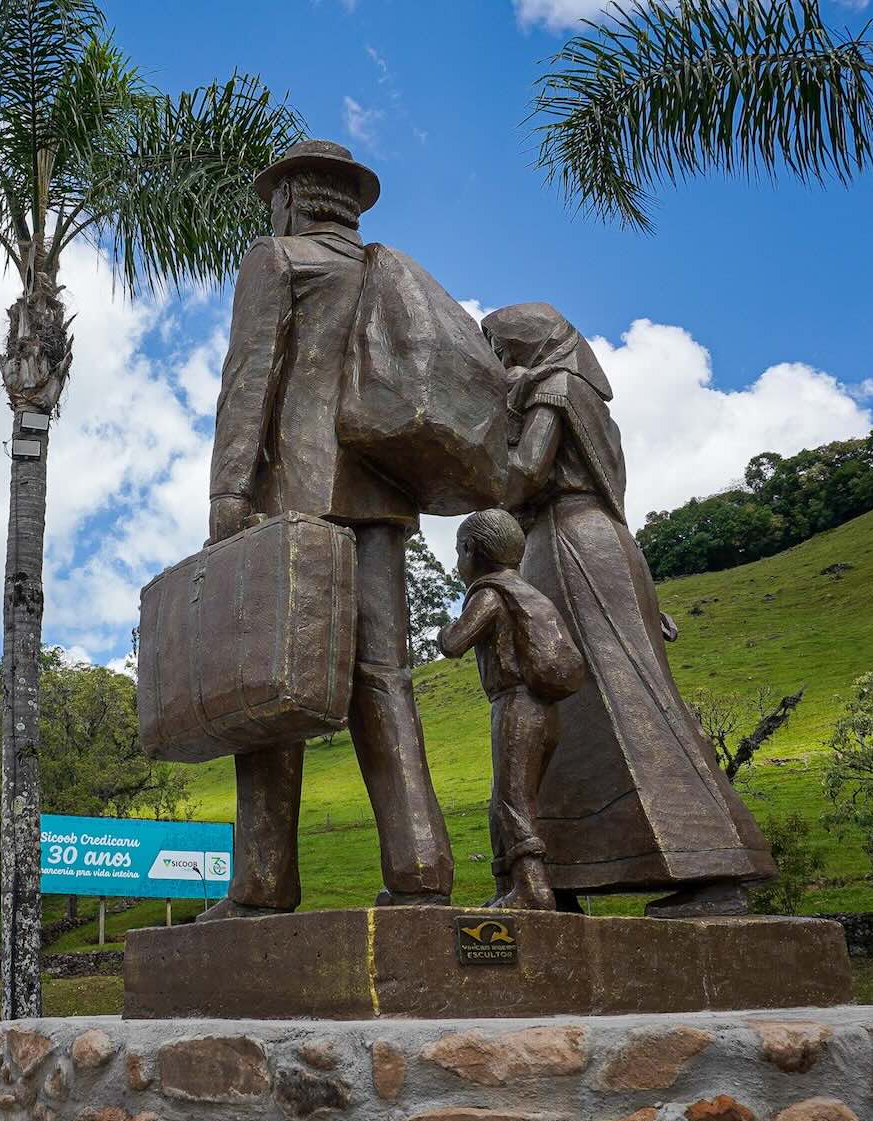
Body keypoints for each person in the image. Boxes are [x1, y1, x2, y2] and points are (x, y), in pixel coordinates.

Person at [203, 140, 454, 916]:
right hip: (381, 497)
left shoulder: (276, 259)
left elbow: (251, 378)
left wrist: (227, 492)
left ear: (287, 199)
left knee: (270, 675)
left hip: (298, 495)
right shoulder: (385, 269)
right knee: (384, 678)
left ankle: (264, 882)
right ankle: (421, 872)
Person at [482, 302, 777, 917]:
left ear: (529, 348)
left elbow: (521, 477)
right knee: (571, 713)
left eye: (505, 353)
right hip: (590, 547)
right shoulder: (583, 399)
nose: (503, 367)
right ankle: (556, 876)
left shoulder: (555, 391)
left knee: (622, 701)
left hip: (571, 547)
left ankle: (712, 870)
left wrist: (472, 443)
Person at [439, 509, 587, 910]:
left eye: (458, 552)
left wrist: (442, 630)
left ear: (472, 549)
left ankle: (532, 890)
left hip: (515, 703)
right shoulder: (531, 593)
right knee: (507, 798)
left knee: (511, 797)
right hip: (547, 708)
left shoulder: (490, 594)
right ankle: (508, 884)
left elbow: (454, 643)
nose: (457, 563)